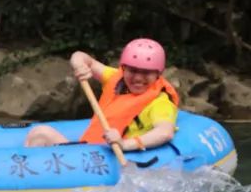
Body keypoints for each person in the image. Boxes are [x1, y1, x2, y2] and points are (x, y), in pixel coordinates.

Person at [25, 38, 180, 151]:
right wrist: (79, 65)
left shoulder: (160, 102)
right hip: (91, 152)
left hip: (115, 158)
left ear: (158, 73)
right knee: (39, 133)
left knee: (41, 133)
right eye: (132, 70)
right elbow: (81, 56)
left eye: (146, 72)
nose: (138, 78)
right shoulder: (115, 78)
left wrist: (126, 144)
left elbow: (165, 132)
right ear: (123, 69)